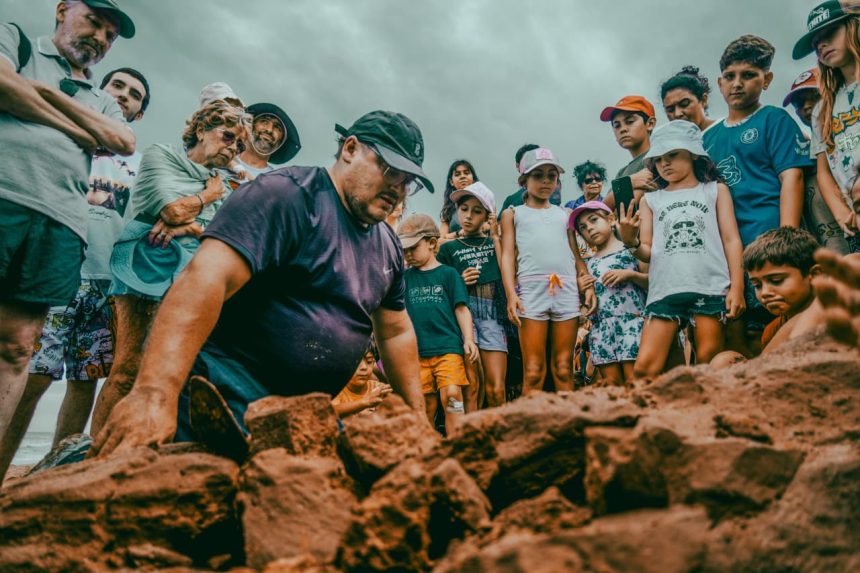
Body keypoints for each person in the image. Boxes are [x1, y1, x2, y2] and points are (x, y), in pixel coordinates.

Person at [89, 110, 433, 458]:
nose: (398, 188)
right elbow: (205, 279)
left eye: (408, 181)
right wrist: (154, 392)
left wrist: (418, 417)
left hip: (300, 417)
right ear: (350, 148)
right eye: (390, 170)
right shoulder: (287, 196)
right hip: (222, 395)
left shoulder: (387, 245)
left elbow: (395, 332)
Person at [0, 0, 135, 483]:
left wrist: (34, 98)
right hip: (5, 196)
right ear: (61, 10)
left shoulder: (100, 98)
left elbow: (120, 141)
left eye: (110, 34)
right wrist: (76, 125)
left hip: (60, 224)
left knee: (18, 348)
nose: (100, 37)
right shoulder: (16, 39)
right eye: (94, 22)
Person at [88, 100, 249, 437]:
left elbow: (217, 236)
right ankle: (96, 455)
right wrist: (205, 199)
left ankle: (143, 447)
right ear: (202, 129)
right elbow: (173, 212)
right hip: (145, 264)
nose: (232, 148)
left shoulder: (218, 180)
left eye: (238, 145)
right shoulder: (165, 157)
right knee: (128, 368)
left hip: (189, 276)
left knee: (171, 370)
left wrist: (192, 226)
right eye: (228, 136)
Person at [704, 34, 809, 356]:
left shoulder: (774, 118)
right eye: (731, 77)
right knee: (739, 322)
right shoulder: (709, 137)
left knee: (778, 318)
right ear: (720, 83)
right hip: (726, 246)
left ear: (767, 80)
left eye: (749, 75)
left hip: (768, 233)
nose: (738, 84)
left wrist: (786, 235)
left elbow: (791, 176)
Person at [618, 120, 745, 378]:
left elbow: (731, 240)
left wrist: (738, 287)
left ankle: (700, 416)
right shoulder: (651, 199)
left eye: (673, 154)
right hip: (665, 288)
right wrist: (631, 241)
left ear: (693, 153)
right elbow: (648, 252)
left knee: (708, 361)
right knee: (645, 368)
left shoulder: (715, 190)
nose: (665, 163)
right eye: (659, 158)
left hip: (710, 285)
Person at [500, 148, 596, 393]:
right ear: (524, 181)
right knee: (533, 370)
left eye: (551, 176)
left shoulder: (566, 215)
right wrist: (511, 294)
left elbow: (576, 256)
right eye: (537, 175)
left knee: (564, 367)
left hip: (566, 290)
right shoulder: (513, 214)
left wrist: (586, 285)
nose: (545, 181)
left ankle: (568, 427)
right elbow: (508, 255)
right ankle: (532, 429)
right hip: (531, 290)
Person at [398, 214, 478, 434]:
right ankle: (428, 452)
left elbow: (461, 308)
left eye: (413, 248)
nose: (408, 254)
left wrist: (469, 339)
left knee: (453, 396)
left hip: (447, 348)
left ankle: (457, 441)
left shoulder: (449, 275)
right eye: (404, 250)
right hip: (417, 353)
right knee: (426, 405)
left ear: (432, 243)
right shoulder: (403, 279)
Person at [794, 1, 860, 252]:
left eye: (829, 33)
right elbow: (823, 171)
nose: (821, 44)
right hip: (854, 217)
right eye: (816, 43)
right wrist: (842, 213)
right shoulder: (823, 109)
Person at [437, 181, 507, 408]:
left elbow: (507, 271)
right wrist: (459, 281)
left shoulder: (495, 242)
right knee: (472, 387)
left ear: (487, 216)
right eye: (464, 209)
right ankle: (472, 438)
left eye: (477, 211)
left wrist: (496, 236)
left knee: (496, 389)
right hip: (463, 318)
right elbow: (440, 288)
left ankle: (501, 439)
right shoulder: (448, 248)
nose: (468, 216)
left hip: (493, 316)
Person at [570, 201, 647, 386]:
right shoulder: (589, 264)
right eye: (583, 227)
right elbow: (586, 303)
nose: (590, 228)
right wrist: (581, 289)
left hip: (631, 324)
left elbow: (652, 282)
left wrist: (631, 275)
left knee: (634, 382)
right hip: (602, 330)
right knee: (611, 385)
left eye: (594, 220)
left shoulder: (631, 250)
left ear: (611, 219)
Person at [783, 67, 852, 254]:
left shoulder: (851, 139)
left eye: (814, 95)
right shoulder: (800, 151)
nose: (806, 106)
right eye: (798, 103)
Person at [744, 227, 825, 351]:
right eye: (757, 285)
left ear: (815, 275)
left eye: (776, 280)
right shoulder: (771, 332)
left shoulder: (837, 314)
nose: (765, 293)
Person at [599, 95, 658, 210]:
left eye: (630, 121)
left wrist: (619, 189)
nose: (623, 129)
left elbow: (629, 205)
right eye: (617, 125)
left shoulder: (658, 158)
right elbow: (602, 209)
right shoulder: (622, 173)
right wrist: (630, 182)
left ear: (650, 123)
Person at [234, 102, 301, 179]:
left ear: (281, 142)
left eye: (277, 127)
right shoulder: (222, 157)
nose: (269, 129)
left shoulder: (276, 183)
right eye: (264, 121)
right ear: (249, 126)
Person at [501, 143, 562, 211]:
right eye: (537, 175)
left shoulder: (563, 213)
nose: (546, 180)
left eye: (552, 175)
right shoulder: (511, 208)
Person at [332, 350, 391, 418]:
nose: (364, 367)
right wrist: (366, 402)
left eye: (369, 361)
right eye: (356, 362)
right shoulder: (337, 390)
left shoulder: (379, 389)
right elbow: (330, 411)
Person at [661, 66, 716, 131]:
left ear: (704, 100)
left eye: (684, 104)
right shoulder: (668, 140)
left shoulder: (726, 132)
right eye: (670, 110)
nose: (677, 114)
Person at [439, 159, 479, 239]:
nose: (462, 176)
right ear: (451, 182)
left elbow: (491, 226)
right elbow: (441, 240)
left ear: (473, 179)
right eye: (457, 174)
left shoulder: (484, 202)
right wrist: (458, 233)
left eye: (466, 173)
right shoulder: (448, 210)